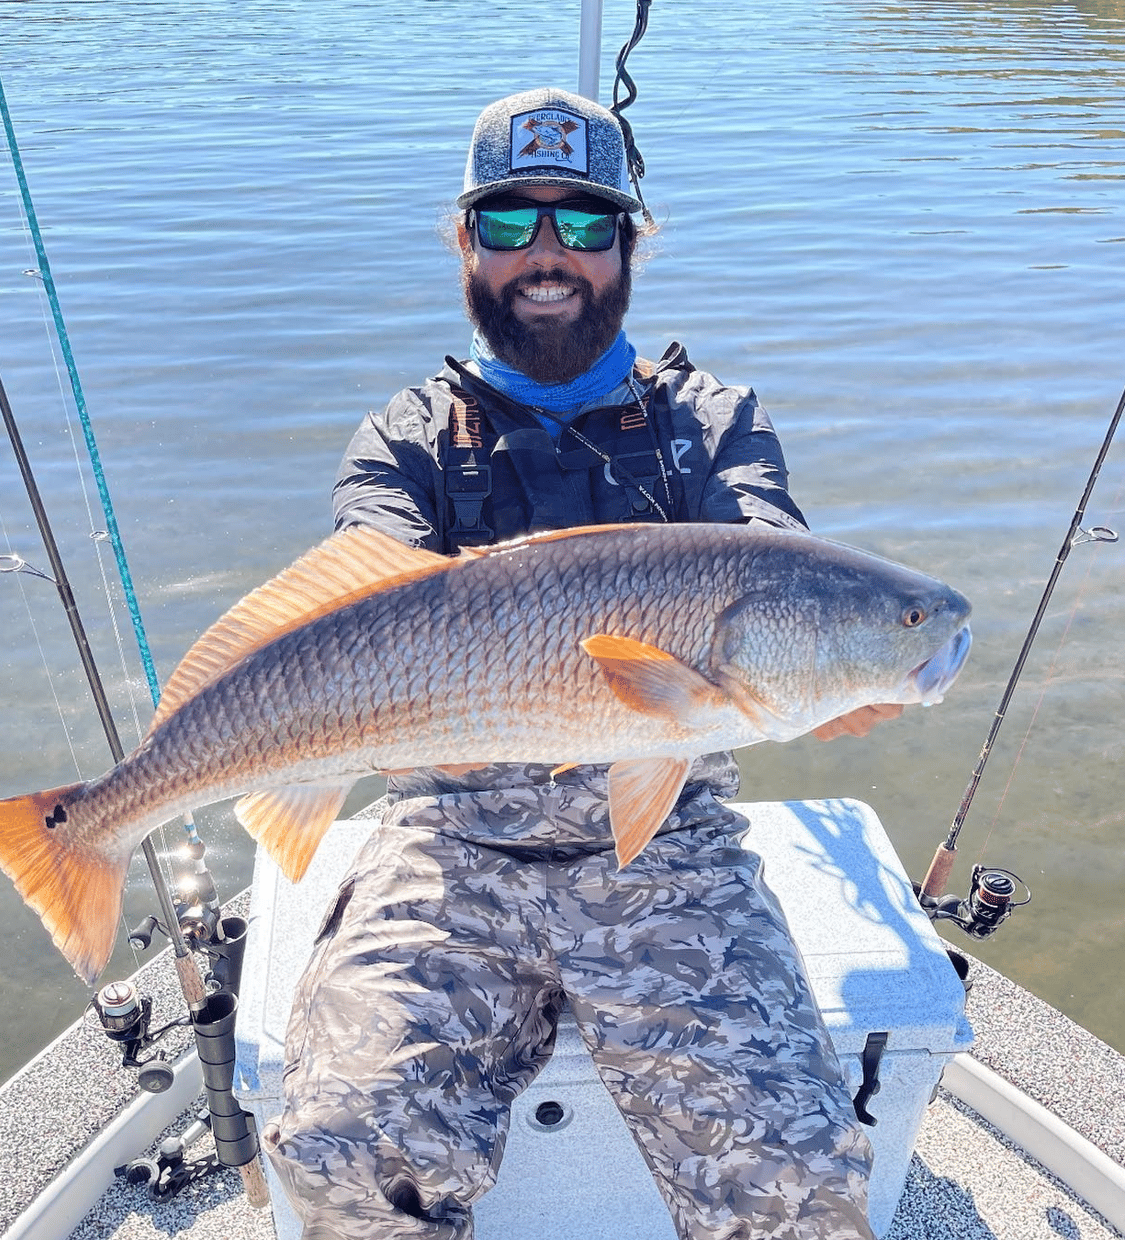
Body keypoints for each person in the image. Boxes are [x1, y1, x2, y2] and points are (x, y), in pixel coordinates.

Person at [262, 86, 897, 1240]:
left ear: (629, 244)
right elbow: (363, 602)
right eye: (509, 223)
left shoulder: (712, 421)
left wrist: (831, 674)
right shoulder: (402, 438)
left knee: (796, 1175)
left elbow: (774, 563)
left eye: (583, 225)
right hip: (450, 845)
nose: (545, 255)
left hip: (669, 851)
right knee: (341, 1146)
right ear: (465, 241)